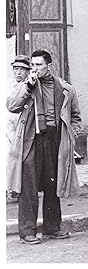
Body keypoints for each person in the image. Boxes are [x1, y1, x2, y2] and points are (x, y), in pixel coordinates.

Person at [6, 50, 82, 245]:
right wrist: (27, 86)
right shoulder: (27, 85)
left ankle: (52, 228)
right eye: (33, 65)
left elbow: (75, 116)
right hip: (32, 140)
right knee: (28, 187)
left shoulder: (65, 88)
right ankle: (27, 232)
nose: (35, 69)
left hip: (55, 141)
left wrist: (71, 136)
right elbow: (11, 106)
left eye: (39, 65)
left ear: (49, 66)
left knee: (53, 186)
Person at [6, 55, 31, 200]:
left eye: (22, 69)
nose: (18, 73)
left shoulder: (30, 85)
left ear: (28, 71)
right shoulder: (9, 85)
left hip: (23, 126)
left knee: (21, 159)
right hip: (9, 125)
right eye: (16, 69)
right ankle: (9, 188)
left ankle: (18, 189)